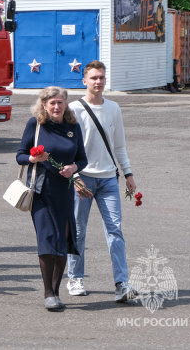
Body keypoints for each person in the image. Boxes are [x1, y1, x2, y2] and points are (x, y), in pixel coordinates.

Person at [67, 61, 139, 302]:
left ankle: (122, 284)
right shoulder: (73, 109)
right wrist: (75, 177)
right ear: (84, 81)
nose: (98, 82)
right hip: (82, 179)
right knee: (77, 230)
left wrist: (128, 173)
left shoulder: (114, 108)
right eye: (94, 78)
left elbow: (119, 145)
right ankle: (75, 277)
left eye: (102, 78)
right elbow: (69, 148)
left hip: (108, 179)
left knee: (115, 231)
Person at [16, 86, 89, 310]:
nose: (56, 107)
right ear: (44, 105)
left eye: (60, 102)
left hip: (65, 191)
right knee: (47, 239)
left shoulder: (73, 127)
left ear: (65, 104)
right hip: (42, 191)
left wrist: (73, 167)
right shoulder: (35, 124)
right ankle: (48, 293)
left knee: (63, 240)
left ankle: (56, 292)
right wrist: (33, 158)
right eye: (52, 103)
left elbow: (82, 158)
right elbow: (20, 156)